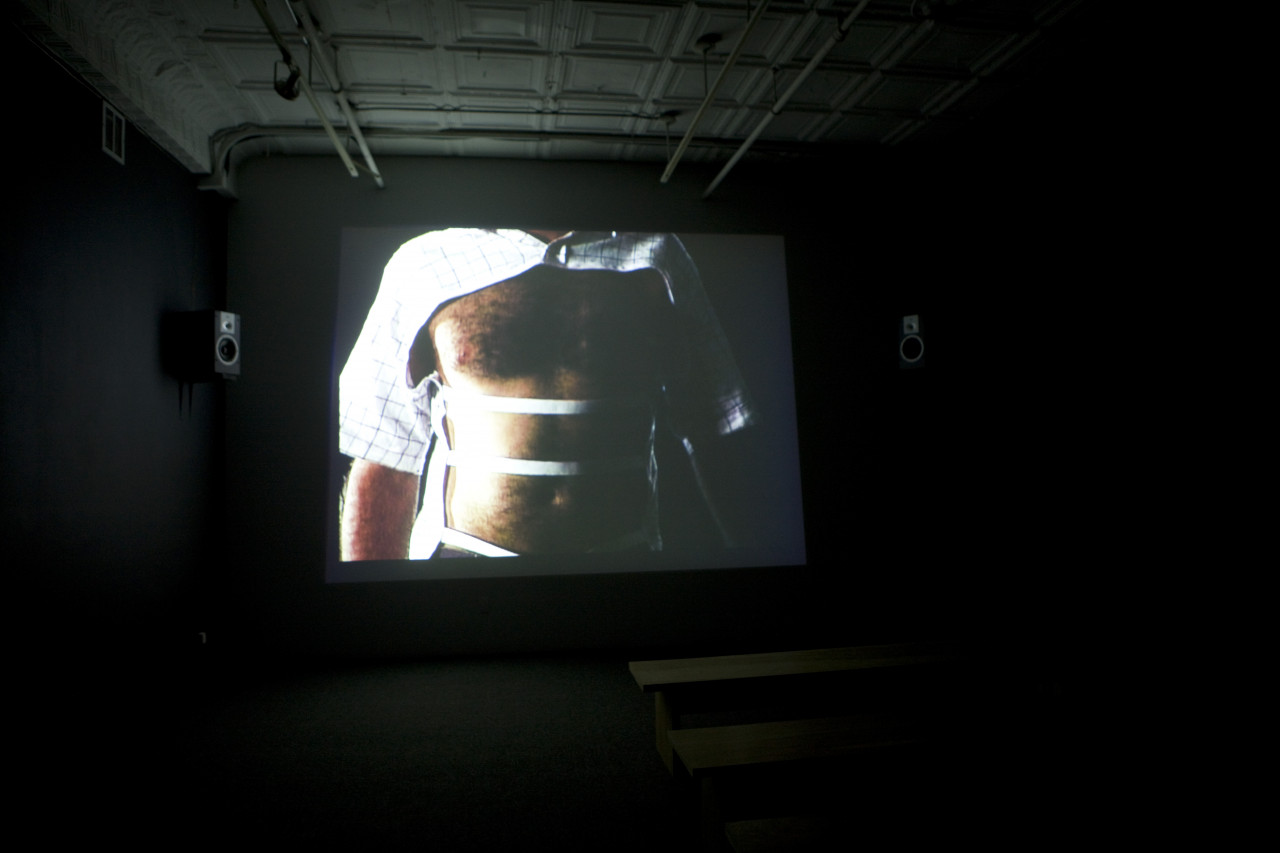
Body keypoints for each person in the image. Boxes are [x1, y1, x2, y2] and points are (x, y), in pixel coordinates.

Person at [338, 228, 759, 559]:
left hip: (621, 564)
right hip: (463, 563)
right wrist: (369, 610)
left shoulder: (658, 256)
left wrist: (761, 574)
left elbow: (718, 425)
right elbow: (386, 454)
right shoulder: (426, 262)